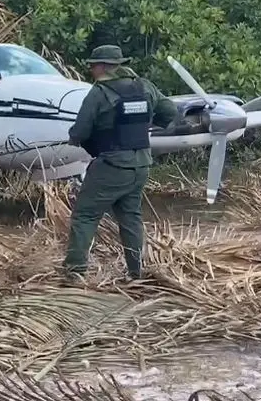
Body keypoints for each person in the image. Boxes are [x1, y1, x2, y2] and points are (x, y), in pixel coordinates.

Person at [63, 44, 178, 282]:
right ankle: (136, 273)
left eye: (93, 66)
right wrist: (147, 124)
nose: (91, 70)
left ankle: (74, 273)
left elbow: (81, 131)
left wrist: (74, 138)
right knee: (130, 218)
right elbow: (169, 111)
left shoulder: (99, 93)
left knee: (85, 216)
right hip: (141, 165)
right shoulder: (144, 86)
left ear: (104, 67)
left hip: (112, 165)